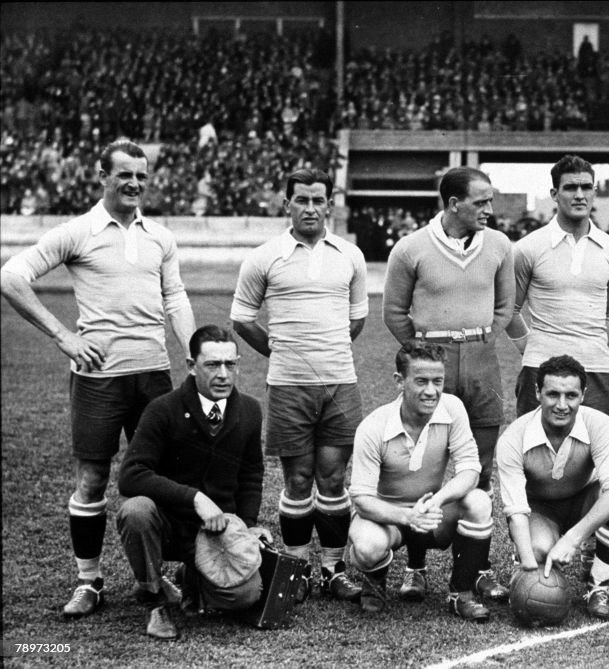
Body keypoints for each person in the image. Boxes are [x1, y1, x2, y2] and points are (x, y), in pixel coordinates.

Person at [0, 139, 195, 618]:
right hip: (99, 379)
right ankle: (89, 582)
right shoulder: (78, 231)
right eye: (124, 174)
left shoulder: (160, 237)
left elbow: (175, 299)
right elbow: (10, 276)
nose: (133, 184)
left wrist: (194, 356)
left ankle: (154, 579)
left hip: (154, 375)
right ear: (101, 175)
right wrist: (64, 337)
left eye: (141, 176)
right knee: (92, 479)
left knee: (159, 477)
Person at [231, 167, 366, 603]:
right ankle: (294, 567)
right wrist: (281, 350)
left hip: (339, 382)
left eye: (318, 200)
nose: (310, 208)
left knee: (332, 478)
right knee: (298, 479)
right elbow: (241, 319)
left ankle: (332, 567)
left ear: (330, 204)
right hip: (288, 384)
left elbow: (358, 317)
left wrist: (326, 349)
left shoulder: (349, 255)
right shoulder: (264, 256)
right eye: (301, 200)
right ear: (286, 203)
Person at [382, 166, 513, 602]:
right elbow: (394, 312)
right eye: (481, 202)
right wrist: (424, 357)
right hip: (432, 359)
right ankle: (416, 567)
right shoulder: (411, 247)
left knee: (483, 467)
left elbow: (505, 307)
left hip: (480, 359)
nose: (489, 210)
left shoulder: (498, 245)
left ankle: (476, 569)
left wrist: (478, 342)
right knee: (424, 466)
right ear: (454, 204)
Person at [117, 325, 269, 640]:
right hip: (169, 526)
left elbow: (252, 473)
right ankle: (154, 598)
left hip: (218, 531)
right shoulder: (162, 409)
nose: (224, 374)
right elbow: (131, 474)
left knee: (245, 597)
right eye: (213, 365)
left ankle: (193, 577)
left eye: (231, 364)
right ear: (190, 366)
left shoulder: (250, 410)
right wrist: (195, 498)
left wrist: (249, 524)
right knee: (136, 511)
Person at [347, 343, 497, 621]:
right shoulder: (374, 426)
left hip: (431, 510)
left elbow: (470, 470)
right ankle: (374, 583)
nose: (431, 391)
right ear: (399, 381)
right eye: (421, 381)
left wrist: (437, 500)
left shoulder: (452, 408)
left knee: (478, 501)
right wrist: (407, 516)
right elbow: (362, 500)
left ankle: (460, 594)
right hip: (388, 515)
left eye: (437, 381)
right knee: (367, 545)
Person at [497, 355, 609, 620]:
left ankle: (599, 585)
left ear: (583, 395)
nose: (562, 405)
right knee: (538, 549)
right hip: (541, 508)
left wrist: (571, 540)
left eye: (571, 395)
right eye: (553, 394)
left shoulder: (599, 423)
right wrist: (528, 567)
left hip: (585, 500)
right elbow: (515, 511)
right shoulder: (514, 437)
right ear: (538, 392)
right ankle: (530, 557)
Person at [507, 154, 609, 418]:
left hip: (595, 366)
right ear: (554, 193)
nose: (579, 195)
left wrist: (585, 342)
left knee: (595, 451)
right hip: (540, 365)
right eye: (571, 187)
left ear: (594, 192)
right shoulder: (529, 247)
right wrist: (534, 348)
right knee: (535, 449)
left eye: (586, 187)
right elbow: (510, 310)